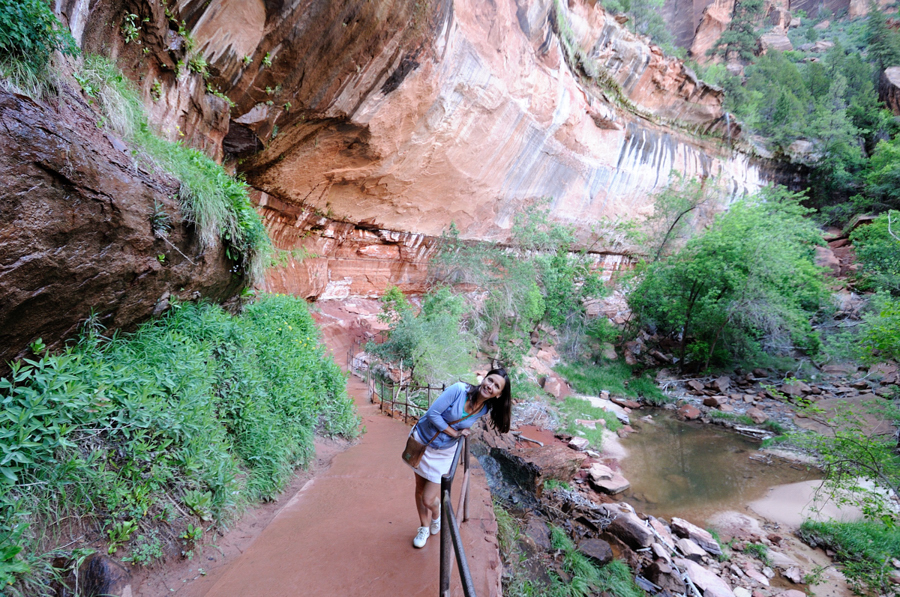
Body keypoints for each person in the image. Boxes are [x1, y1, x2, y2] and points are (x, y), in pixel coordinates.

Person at [409, 368, 511, 548]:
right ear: (484, 378)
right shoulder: (459, 390)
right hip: (424, 441)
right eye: (490, 380)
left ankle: (436, 513)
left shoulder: (485, 408)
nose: (490, 386)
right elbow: (432, 414)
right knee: (419, 490)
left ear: (499, 394)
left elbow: (467, 423)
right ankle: (424, 527)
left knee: (428, 498)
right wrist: (455, 432)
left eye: (496, 386)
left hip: (443, 452)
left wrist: (461, 432)